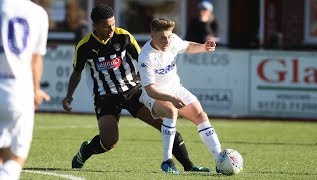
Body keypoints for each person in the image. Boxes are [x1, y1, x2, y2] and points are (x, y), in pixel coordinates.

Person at [62, 4, 210, 172]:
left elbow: (142, 59)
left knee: (165, 124)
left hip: (133, 91)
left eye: (113, 24)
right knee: (109, 142)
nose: (111, 29)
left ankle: (189, 166)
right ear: (95, 25)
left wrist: (148, 75)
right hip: (106, 97)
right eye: (106, 26)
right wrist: (69, 95)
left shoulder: (123, 36)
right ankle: (85, 151)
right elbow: (76, 72)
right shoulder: (84, 46)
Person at [138, 18, 222, 174]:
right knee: (171, 110)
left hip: (175, 89)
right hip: (153, 95)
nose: (167, 41)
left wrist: (204, 47)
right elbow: (150, 90)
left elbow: (188, 46)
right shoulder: (146, 57)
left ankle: (220, 160)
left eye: (169, 36)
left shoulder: (173, 40)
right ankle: (167, 161)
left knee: (200, 115)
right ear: (152, 35)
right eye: (162, 37)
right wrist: (171, 99)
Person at [0, 0, 50, 179]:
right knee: (13, 159)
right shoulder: (38, 13)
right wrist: (35, 90)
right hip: (17, 94)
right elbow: (35, 61)